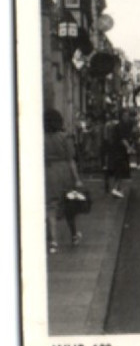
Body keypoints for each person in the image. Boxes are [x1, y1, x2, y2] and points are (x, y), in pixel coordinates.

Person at [44, 108, 82, 253]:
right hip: (64, 171)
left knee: (51, 207)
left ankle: (54, 242)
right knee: (69, 204)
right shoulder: (65, 137)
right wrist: (77, 179)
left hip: (48, 171)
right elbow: (71, 159)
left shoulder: (41, 137)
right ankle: (74, 235)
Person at [106, 108, 133, 198]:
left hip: (120, 151)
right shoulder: (120, 126)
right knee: (119, 171)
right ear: (121, 117)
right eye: (125, 116)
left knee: (120, 172)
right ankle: (115, 189)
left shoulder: (123, 125)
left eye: (128, 116)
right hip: (118, 152)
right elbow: (122, 139)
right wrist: (129, 147)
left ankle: (117, 189)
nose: (127, 117)